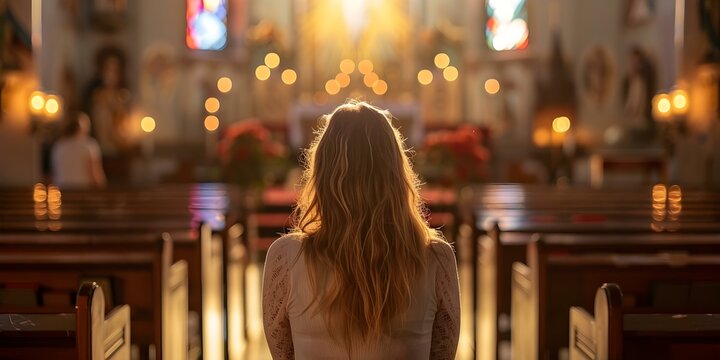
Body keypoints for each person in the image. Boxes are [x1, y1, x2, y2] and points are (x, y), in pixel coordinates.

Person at [262, 101, 460, 359]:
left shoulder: (286, 257)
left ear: (321, 172)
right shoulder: (436, 258)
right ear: (396, 173)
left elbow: (283, 354)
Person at [51, 113, 107, 188]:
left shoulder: (58, 146)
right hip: (83, 191)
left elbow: (54, 172)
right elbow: (95, 174)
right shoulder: (89, 145)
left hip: (62, 191)